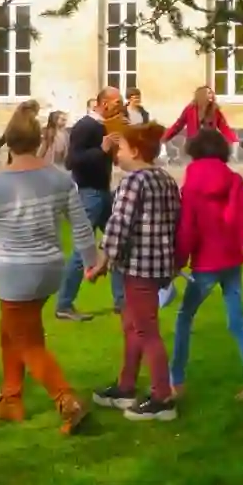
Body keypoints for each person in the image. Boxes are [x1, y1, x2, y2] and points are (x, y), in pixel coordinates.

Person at [0, 106, 97, 435]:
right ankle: (10, 400)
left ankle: (67, 400)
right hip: (50, 269)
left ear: (8, 143)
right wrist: (92, 261)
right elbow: (81, 225)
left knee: (27, 342)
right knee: (11, 331)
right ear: (38, 140)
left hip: (16, 273)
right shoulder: (59, 178)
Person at [88, 122, 183, 423]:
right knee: (132, 325)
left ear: (136, 151)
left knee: (146, 331)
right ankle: (126, 386)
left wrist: (103, 261)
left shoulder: (133, 182)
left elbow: (118, 226)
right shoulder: (165, 179)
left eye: (122, 147)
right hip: (158, 266)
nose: (117, 153)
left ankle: (162, 397)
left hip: (139, 268)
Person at [169, 127, 243, 402]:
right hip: (231, 260)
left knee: (184, 318)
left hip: (205, 263)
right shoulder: (234, 179)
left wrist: (176, 261)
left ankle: (176, 381)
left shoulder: (191, 181)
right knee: (237, 322)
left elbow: (187, 226)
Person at [55, 86, 128, 321]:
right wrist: (102, 149)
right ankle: (64, 304)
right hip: (88, 194)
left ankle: (122, 301)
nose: (121, 107)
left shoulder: (104, 126)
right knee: (83, 250)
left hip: (103, 193)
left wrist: (115, 153)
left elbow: (103, 159)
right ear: (104, 103)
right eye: (117, 103)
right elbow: (72, 162)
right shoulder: (85, 126)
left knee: (118, 244)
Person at [164, 85, 237, 145]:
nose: (211, 95)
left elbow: (224, 127)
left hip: (210, 143)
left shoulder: (214, 110)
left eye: (211, 93)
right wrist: (165, 138)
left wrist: (234, 141)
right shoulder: (190, 109)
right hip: (194, 143)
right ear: (201, 95)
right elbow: (178, 125)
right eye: (208, 93)